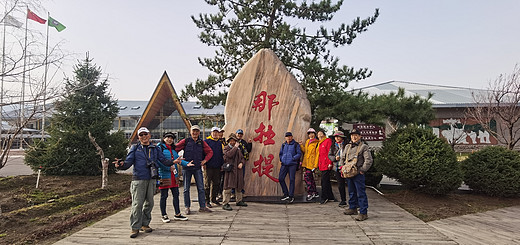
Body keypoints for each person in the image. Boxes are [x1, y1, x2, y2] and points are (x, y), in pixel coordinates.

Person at [113, 127, 175, 238]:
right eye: (141, 135)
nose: (143, 137)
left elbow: (163, 160)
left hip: (151, 179)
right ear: (138, 137)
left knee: (149, 203)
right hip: (138, 179)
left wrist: (173, 162)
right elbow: (128, 162)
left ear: (149, 135)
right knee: (137, 204)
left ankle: (145, 224)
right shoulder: (135, 148)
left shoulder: (155, 149)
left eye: (145, 134)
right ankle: (135, 227)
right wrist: (121, 165)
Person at [175, 125, 214, 214]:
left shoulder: (202, 142)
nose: (195, 133)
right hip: (186, 168)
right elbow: (175, 149)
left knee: (201, 188)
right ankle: (187, 207)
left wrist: (205, 160)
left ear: (199, 132)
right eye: (193, 131)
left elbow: (210, 152)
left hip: (197, 168)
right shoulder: (185, 141)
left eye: (197, 131)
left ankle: (202, 207)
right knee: (186, 189)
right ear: (190, 132)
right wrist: (178, 159)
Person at [340, 128, 373, 221]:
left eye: (356, 135)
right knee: (351, 191)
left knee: (360, 193)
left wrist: (363, 170)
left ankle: (363, 212)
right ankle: (352, 207)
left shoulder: (364, 147)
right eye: (352, 135)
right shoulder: (347, 146)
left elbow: (368, 160)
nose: (354, 137)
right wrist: (342, 168)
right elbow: (342, 158)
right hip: (348, 173)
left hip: (358, 173)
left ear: (360, 136)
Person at [157, 132, 189, 223]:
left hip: (174, 176)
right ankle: (164, 215)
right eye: (168, 137)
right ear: (164, 138)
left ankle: (177, 214)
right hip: (164, 175)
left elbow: (177, 161)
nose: (169, 139)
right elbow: (159, 161)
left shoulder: (173, 149)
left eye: (171, 138)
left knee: (176, 195)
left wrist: (187, 164)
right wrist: (167, 168)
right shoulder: (160, 148)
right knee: (164, 196)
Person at [222, 133, 248, 210]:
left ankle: (239, 201)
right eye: (231, 141)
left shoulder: (238, 149)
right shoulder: (226, 148)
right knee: (228, 187)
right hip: (230, 171)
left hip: (238, 170)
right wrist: (235, 147)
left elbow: (243, 158)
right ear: (229, 141)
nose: (233, 142)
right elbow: (229, 155)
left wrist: (241, 163)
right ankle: (225, 203)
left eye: (234, 141)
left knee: (239, 186)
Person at [278, 132, 302, 203]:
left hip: (292, 164)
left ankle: (291, 196)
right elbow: (280, 153)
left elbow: (299, 153)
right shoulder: (283, 145)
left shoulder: (296, 144)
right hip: (284, 164)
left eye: (289, 136)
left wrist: (293, 158)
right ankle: (286, 194)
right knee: (281, 178)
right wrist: (282, 159)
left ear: (292, 137)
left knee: (292, 179)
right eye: (287, 136)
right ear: (285, 137)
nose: (288, 138)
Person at [204, 127, 225, 208]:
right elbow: (204, 153)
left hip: (217, 166)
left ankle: (213, 199)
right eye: (214, 132)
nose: (215, 134)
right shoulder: (206, 142)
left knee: (216, 183)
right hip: (208, 166)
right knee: (207, 184)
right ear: (211, 133)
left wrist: (221, 165)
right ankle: (207, 200)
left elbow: (220, 155)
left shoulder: (219, 143)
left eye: (217, 132)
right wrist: (204, 163)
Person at [328, 131, 348, 207]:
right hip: (337, 167)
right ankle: (343, 200)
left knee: (350, 184)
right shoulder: (333, 146)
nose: (337, 138)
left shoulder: (347, 145)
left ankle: (354, 201)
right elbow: (329, 155)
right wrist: (334, 158)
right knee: (340, 185)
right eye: (335, 137)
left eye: (338, 137)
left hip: (346, 167)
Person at [300, 128, 320, 201]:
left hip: (312, 164)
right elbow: (305, 151)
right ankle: (315, 192)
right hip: (306, 163)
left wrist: (315, 165)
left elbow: (317, 155)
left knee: (307, 177)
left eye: (312, 133)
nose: (311, 135)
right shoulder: (308, 141)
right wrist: (301, 146)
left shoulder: (317, 143)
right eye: (309, 134)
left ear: (315, 134)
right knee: (310, 179)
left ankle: (310, 192)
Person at [317, 131, 335, 204]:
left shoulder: (327, 141)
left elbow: (330, 153)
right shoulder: (320, 143)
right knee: (326, 181)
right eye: (318, 135)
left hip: (327, 164)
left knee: (324, 181)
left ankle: (324, 197)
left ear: (324, 135)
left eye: (321, 134)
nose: (320, 136)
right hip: (322, 164)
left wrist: (330, 163)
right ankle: (330, 196)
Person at [234, 129, 252, 196]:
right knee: (234, 178)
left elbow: (248, 150)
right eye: (238, 134)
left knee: (241, 177)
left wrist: (250, 143)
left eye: (241, 134)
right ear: (236, 134)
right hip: (234, 162)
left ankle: (241, 191)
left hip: (242, 162)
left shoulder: (244, 142)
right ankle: (233, 192)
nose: (239, 135)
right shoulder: (233, 141)